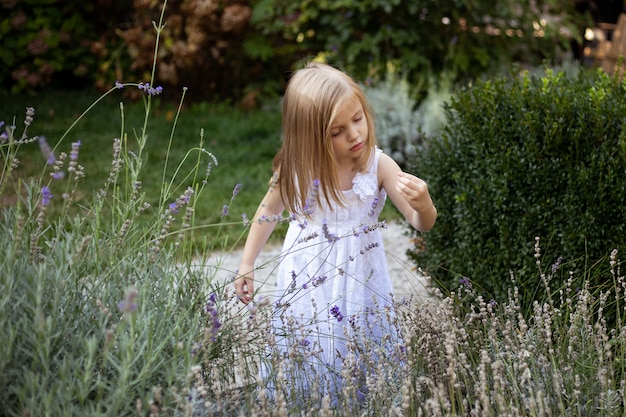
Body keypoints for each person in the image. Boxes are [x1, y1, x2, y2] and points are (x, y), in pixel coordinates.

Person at [234, 61, 437, 402]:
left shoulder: (378, 165)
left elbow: (421, 223)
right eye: (337, 131)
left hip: (362, 282)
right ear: (310, 137)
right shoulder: (297, 170)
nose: (355, 134)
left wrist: (425, 204)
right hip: (308, 282)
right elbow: (268, 210)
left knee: (361, 354)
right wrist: (246, 263)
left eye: (357, 119)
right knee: (310, 351)